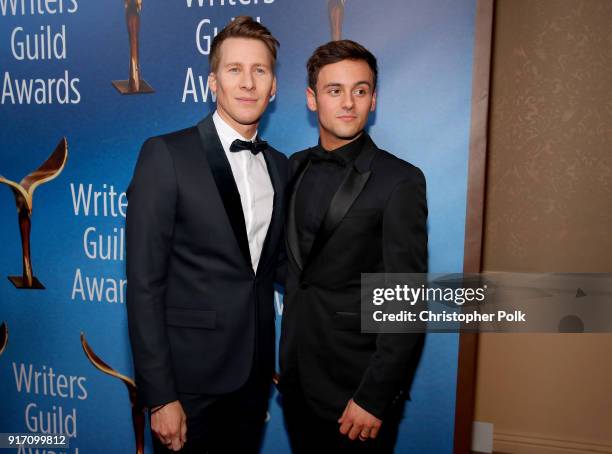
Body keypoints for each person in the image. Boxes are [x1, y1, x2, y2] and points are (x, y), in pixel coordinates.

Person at [126, 16, 286, 453]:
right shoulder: (167, 155)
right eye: (235, 70)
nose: (248, 83)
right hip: (187, 386)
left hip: (254, 381)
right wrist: (160, 397)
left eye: (260, 71)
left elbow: (283, 269)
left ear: (273, 87)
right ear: (213, 82)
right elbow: (143, 286)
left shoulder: (280, 167)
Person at [279, 40, 427, 453]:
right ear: (312, 99)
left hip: (356, 394)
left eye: (360, 90)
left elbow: (408, 302)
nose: (348, 102)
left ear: (373, 99)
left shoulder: (400, 180)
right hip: (296, 382)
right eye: (334, 90)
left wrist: (374, 398)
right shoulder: (294, 166)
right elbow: (296, 269)